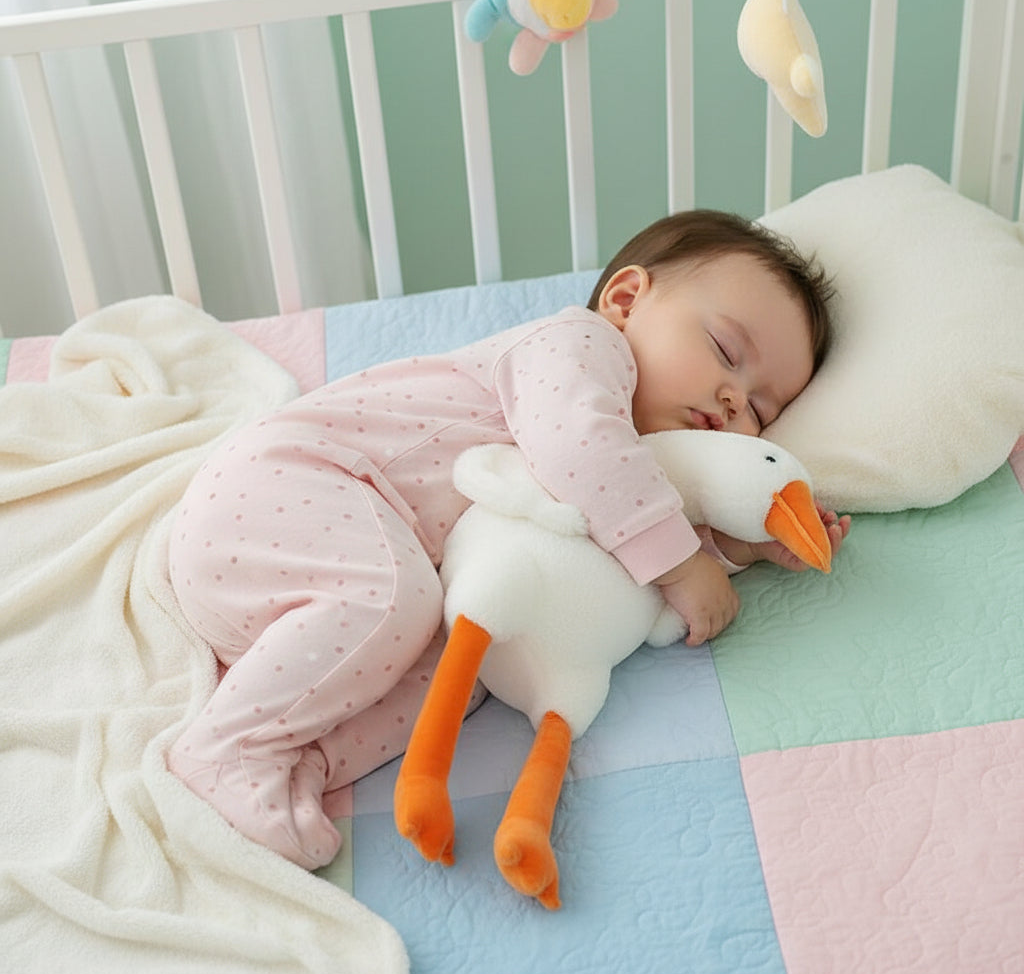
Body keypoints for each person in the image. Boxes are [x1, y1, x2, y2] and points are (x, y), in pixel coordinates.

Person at [166, 209, 851, 869]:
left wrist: (742, 550)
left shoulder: (645, 468)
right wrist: (677, 563)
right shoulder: (579, 348)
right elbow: (582, 452)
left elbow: (636, 537)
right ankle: (226, 747)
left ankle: (310, 752)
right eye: (727, 352)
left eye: (762, 410)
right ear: (625, 299)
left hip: (317, 598)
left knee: (475, 660)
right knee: (394, 598)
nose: (735, 397)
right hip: (287, 490)